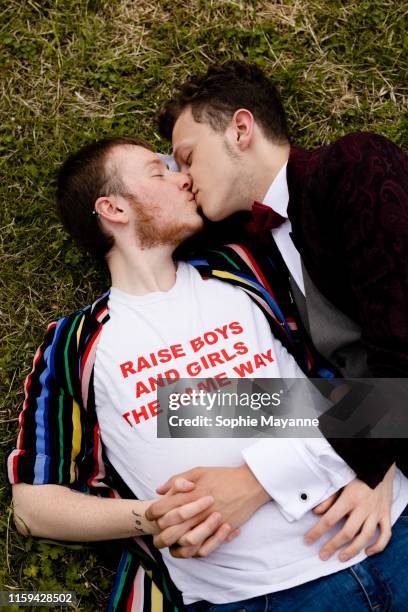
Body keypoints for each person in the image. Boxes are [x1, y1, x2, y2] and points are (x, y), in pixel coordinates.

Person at [8, 137, 408, 611]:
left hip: (393, 530)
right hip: (262, 597)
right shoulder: (74, 343)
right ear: (113, 207)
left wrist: (376, 465)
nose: (185, 179)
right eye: (160, 172)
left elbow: (368, 367)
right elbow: (33, 509)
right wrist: (156, 516)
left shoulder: (247, 265)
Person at [157, 60, 408, 494]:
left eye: (187, 159)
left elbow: (401, 371)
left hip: (384, 428)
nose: (183, 179)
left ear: (240, 129)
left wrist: (259, 481)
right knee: (187, 409)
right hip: (367, 421)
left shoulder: (356, 166)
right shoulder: (240, 238)